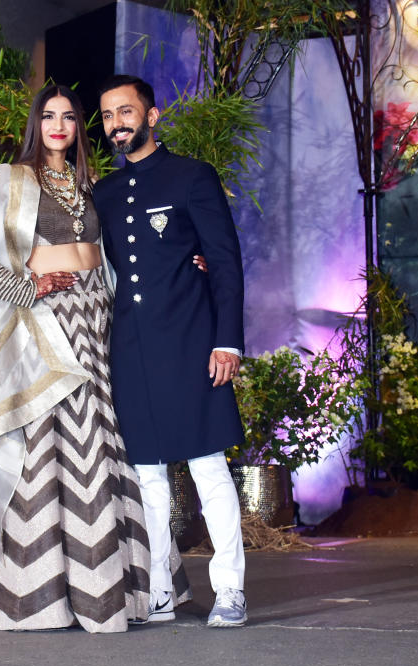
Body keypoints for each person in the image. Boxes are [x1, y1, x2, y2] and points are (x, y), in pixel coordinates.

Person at [0, 85, 190, 633]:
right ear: (36, 123)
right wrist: (23, 286)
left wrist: (189, 263)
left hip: (99, 318)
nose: (57, 125)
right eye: (48, 116)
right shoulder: (14, 178)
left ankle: (105, 589)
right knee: (33, 440)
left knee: (97, 444)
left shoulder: (92, 184)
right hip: (47, 321)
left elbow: (131, 247)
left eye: (68, 116)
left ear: (78, 127)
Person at [93, 74, 248, 628]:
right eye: (109, 116)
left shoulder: (191, 177)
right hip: (131, 351)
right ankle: (159, 590)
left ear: (152, 116)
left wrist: (226, 340)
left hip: (191, 346)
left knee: (209, 470)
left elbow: (225, 261)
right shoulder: (104, 195)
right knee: (148, 479)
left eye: (127, 112)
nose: (117, 123)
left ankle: (229, 590)